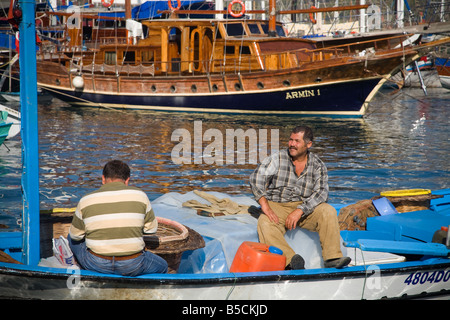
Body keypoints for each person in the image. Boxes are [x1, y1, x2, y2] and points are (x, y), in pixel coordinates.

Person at [249, 126, 350, 270]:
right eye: (291, 140)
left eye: (297, 141)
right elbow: (256, 179)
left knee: (328, 211)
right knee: (265, 223)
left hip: (305, 207)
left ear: (308, 144)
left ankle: (332, 258)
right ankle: (290, 260)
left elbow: (321, 193)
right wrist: (265, 205)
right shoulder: (277, 158)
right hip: (278, 205)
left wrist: (300, 210)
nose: (292, 144)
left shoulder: (318, 165)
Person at [68, 160, 168, 276]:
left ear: (103, 179)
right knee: (163, 266)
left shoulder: (86, 200)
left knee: (71, 238)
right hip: (132, 264)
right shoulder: (140, 196)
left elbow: (76, 235)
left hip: (96, 264)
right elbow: (151, 230)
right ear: (127, 181)